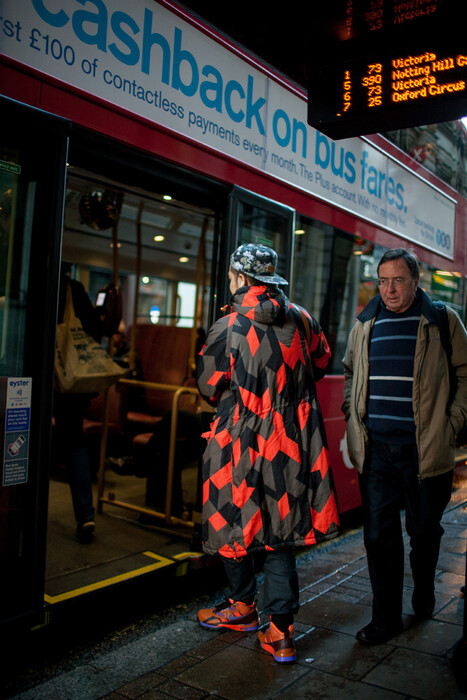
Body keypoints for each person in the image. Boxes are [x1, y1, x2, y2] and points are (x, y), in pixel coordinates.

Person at [195, 243, 340, 663]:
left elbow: (208, 386)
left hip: (238, 441)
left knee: (231, 523)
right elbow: (323, 362)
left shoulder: (228, 327)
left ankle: (241, 607)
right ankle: (280, 633)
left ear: (242, 279)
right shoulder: (303, 320)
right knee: (281, 535)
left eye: (231, 275)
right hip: (291, 442)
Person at [342, 248, 467, 645]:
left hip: (425, 449)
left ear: (416, 281)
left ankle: (425, 589)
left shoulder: (442, 320)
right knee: (378, 535)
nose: (389, 289)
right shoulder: (366, 322)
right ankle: (386, 619)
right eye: (382, 281)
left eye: (397, 280)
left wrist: (453, 424)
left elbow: (466, 374)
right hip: (377, 446)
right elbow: (350, 372)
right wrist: (352, 410)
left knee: (423, 531)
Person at [53, 266, 104, 543]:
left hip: (33, 381)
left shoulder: (25, 276)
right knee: (75, 445)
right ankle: (85, 515)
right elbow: (95, 329)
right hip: (68, 385)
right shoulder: (73, 290)